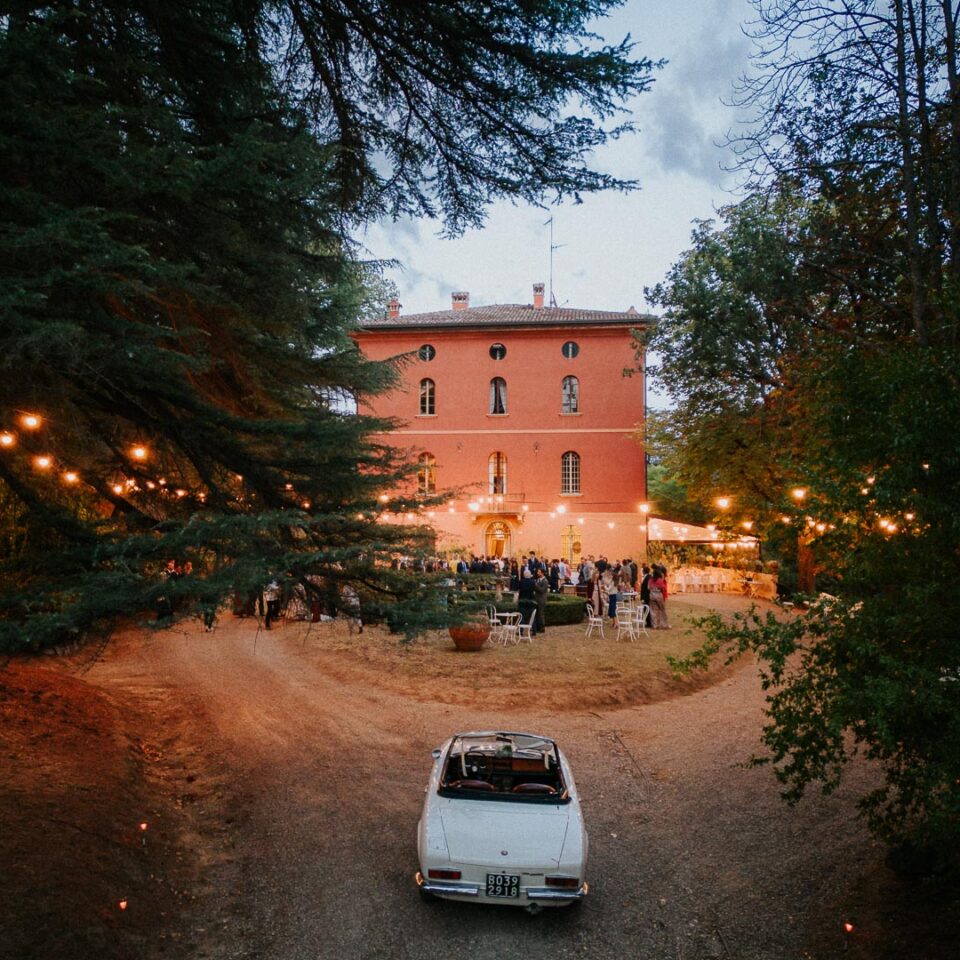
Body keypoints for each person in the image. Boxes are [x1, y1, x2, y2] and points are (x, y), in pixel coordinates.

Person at [648, 564, 670, 629]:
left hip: (652, 595)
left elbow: (648, 587)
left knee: (653, 611)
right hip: (659, 596)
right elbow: (663, 588)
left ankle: (655, 625)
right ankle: (664, 624)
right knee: (662, 610)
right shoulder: (660, 580)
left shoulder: (651, 580)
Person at [517, 567, 537, 634]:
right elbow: (534, 590)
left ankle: (521, 631)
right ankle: (534, 630)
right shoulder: (533, 582)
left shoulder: (521, 581)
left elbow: (518, 589)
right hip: (531, 601)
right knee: (532, 616)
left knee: (522, 616)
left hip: (522, 601)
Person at [533, 566, 549, 634]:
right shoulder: (538, 579)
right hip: (537, 599)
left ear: (542, 573)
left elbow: (542, 590)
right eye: (537, 572)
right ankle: (537, 627)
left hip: (541, 600)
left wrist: (535, 585)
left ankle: (542, 628)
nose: (537, 573)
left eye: (539, 572)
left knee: (541, 614)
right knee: (537, 614)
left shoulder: (545, 581)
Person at [639, 563, 652, 628]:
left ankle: (648, 623)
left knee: (646, 609)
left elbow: (645, 589)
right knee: (647, 609)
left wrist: (643, 598)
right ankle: (648, 622)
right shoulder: (649, 577)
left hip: (646, 596)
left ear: (644, 571)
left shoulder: (647, 578)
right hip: (647, 595)